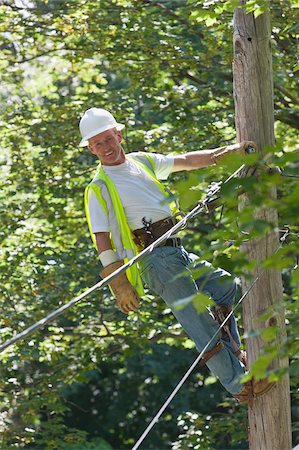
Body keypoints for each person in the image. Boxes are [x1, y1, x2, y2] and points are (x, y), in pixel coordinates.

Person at [79, 107, 272, 406]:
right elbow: (101, 239)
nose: (105, 147)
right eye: (97, 143)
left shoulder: (142, 162)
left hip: (176, 250)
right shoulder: (99, 187)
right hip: (154, 259)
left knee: (227, 287)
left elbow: (185, 160)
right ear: (91, 149)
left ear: (118, 135)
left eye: (108, 139)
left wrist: (227, 153)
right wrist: (119, 284)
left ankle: (234, 352)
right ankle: (239, 384)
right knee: (198, 322)